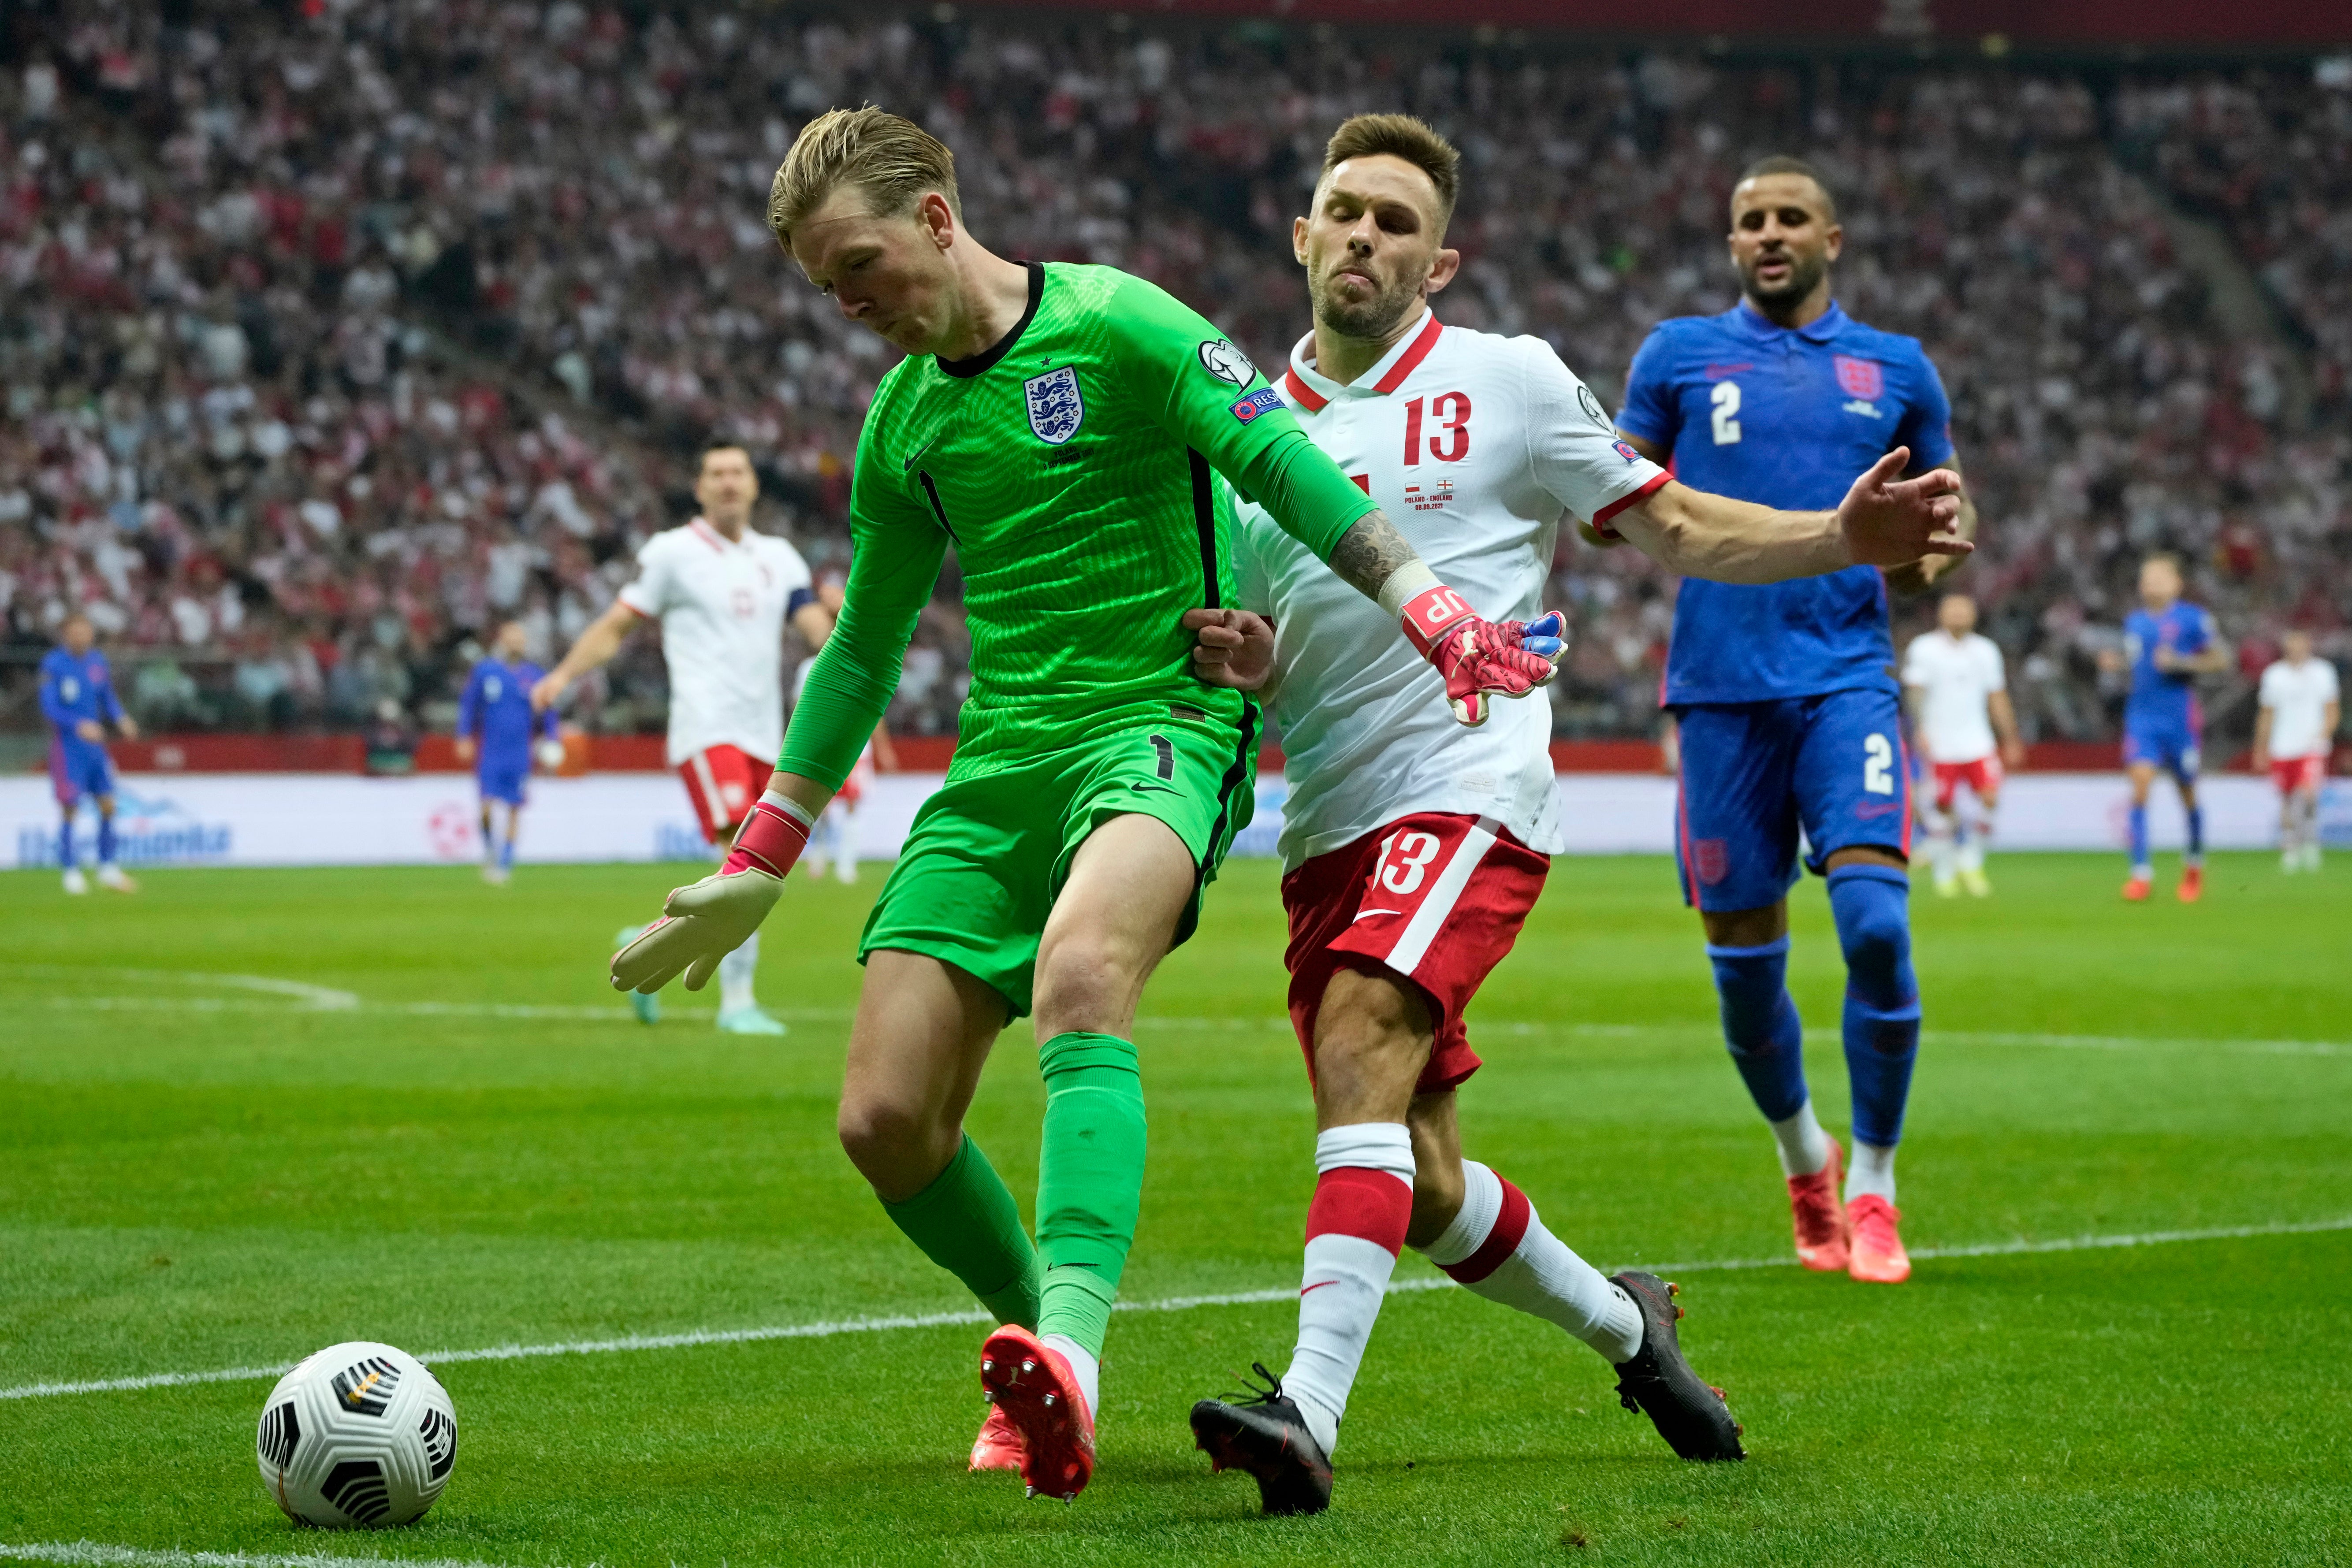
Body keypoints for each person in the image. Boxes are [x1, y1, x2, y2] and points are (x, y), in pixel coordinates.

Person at [606, 106, 1581, 1505]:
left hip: (1159, 728)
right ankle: (1031, 1338)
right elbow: (863, 649)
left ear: (937, 219)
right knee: (882, 1119)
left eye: (860, 263)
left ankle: (1072, 1351)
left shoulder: (1118, 323)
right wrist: (765, 850)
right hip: (998, 766)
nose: (847, 302)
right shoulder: (903, 419)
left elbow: (1277, 462)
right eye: (825, 283)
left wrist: (1418, 598)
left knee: (1079, 974)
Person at [1178, 116, 1967, 1515]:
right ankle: (1628, 1326)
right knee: (1414, 1175)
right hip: (1327, 825)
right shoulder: (1245, 427)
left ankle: (1304, 1412)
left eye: (1395, 223)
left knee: (1363, 1035)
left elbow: (1673, 527)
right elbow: (1281, 642)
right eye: (1343, 212)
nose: (1365, 237)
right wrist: (1254, 661)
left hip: (1470, 786)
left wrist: (1842, 539)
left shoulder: (1507, 381)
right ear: (1298, 233)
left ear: (1438, 260)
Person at [1615, 155, 1981, 1287]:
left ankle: (1873, 1180)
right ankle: (1802, 1160)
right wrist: (1609, 496)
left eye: (1789, 219)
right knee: (1741, 965)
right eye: (1747, 222)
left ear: (1833, 240)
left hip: (1845, 676)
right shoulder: (1676, 355)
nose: (1766, 234)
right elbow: (1617, 505)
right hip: (1720, 689)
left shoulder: (1898, 370)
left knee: (1874, 925)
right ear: (1732, 245)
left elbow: (1924, 553)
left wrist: (1928, 545)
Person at [533, 442, 834, 1032]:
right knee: (745, 859)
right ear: (698, 487)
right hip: (706, 727)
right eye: (716, 473)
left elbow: (814, 628)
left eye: (738, 472)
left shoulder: (780, 558)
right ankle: (738, 1002)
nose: (728, 482)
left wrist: (843, 625)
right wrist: (565, 675)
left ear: (753, 485)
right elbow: (619, 623)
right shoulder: (673, 553)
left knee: (753, 867)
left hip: (768, 734)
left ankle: (644, 941)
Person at [2096, 554, 2228, 902]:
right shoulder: (2135, 622)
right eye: (2146, 577)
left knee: (2187, 794)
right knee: (2139, 790)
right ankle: (2141, 874)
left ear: (2176, 583)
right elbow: (2140, 664)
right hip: (2142, 718)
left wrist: (2182, 662)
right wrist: (2118, 664)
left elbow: (2221, 660)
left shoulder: (2193, 619)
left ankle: (2194, 865)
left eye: (2158, 577)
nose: (2150, 583)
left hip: (2180, 719)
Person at [1902, 594, 2025, 896]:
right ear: (1940, 614)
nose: (1958, 614)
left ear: (1974, 614)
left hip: (1977, 741)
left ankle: (1971, 858)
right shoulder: (1925, 648)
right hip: (1940, 742)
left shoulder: (1985, 650)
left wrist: (2009, 737)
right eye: (1952, 609)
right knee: (1942, 806)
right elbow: (1915, 693)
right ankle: (1945, 873)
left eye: (1964, 609)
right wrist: (1919, 730)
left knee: (1990, 797)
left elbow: (1996, 696)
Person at [40, 613, 141, 895]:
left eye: (86, 631)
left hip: (96, 748)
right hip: (68, 748)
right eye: (76, 632)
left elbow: (107, 697)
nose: (82, 637)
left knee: (108, 805)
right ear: (66, 634)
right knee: (70, 808)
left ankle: (107, 868)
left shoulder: (98, 662)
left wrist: (121, 717)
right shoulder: (54, 665)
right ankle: (70, 872)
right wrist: (78, 724)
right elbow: (49, 707)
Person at [456, 620, 562, 885]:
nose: (516, 642)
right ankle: (491, 850)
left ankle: (506, 861)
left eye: (520, 637)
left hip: (519, 753)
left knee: (515, 807)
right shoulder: (486, 672)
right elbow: (469, 705)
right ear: (502, 640)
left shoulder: (534, 675)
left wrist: (553, 740)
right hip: (491, 751)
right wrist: (464, 736)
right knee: (486, 807)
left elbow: (549, 711)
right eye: (511, 637)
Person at [2251, 628, 2340, 873]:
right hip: (2282, 746)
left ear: (2309, 645)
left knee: (2309, 794)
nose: (2297, 649)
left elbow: (2332, 708)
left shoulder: (2323, 672)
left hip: (2311, 745)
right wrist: (2261, 747)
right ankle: (2290, 846)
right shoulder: (2274, 675)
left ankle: (2310, 842)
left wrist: (2323, 734)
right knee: (2286, 799)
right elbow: (2267, 714)